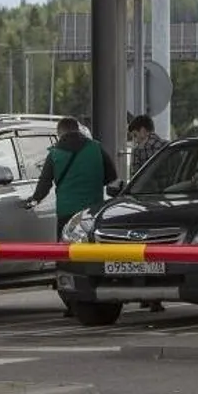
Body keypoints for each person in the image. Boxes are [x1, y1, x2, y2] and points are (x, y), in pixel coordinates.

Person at [24, 117, 118, 317]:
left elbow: (44, 186)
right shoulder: (96, 148)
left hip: (67, 214)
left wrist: (33, 200)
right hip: (92, 212)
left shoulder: (55, 154)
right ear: (78, 130)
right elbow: (111, 175)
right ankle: (96, 293)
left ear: (61, 133)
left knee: (66, 258)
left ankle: (71, 302)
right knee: (94, 254)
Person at [127, 114, 169, 313]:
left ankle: (145, 295)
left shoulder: (140, 150)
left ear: (143, 130)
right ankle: (156, 297)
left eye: (135, 135)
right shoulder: (167, 147)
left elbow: (134, 179)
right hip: (165, 205)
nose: (135, 140)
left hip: (143, 205)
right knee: (158, 253)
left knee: (138, 253)